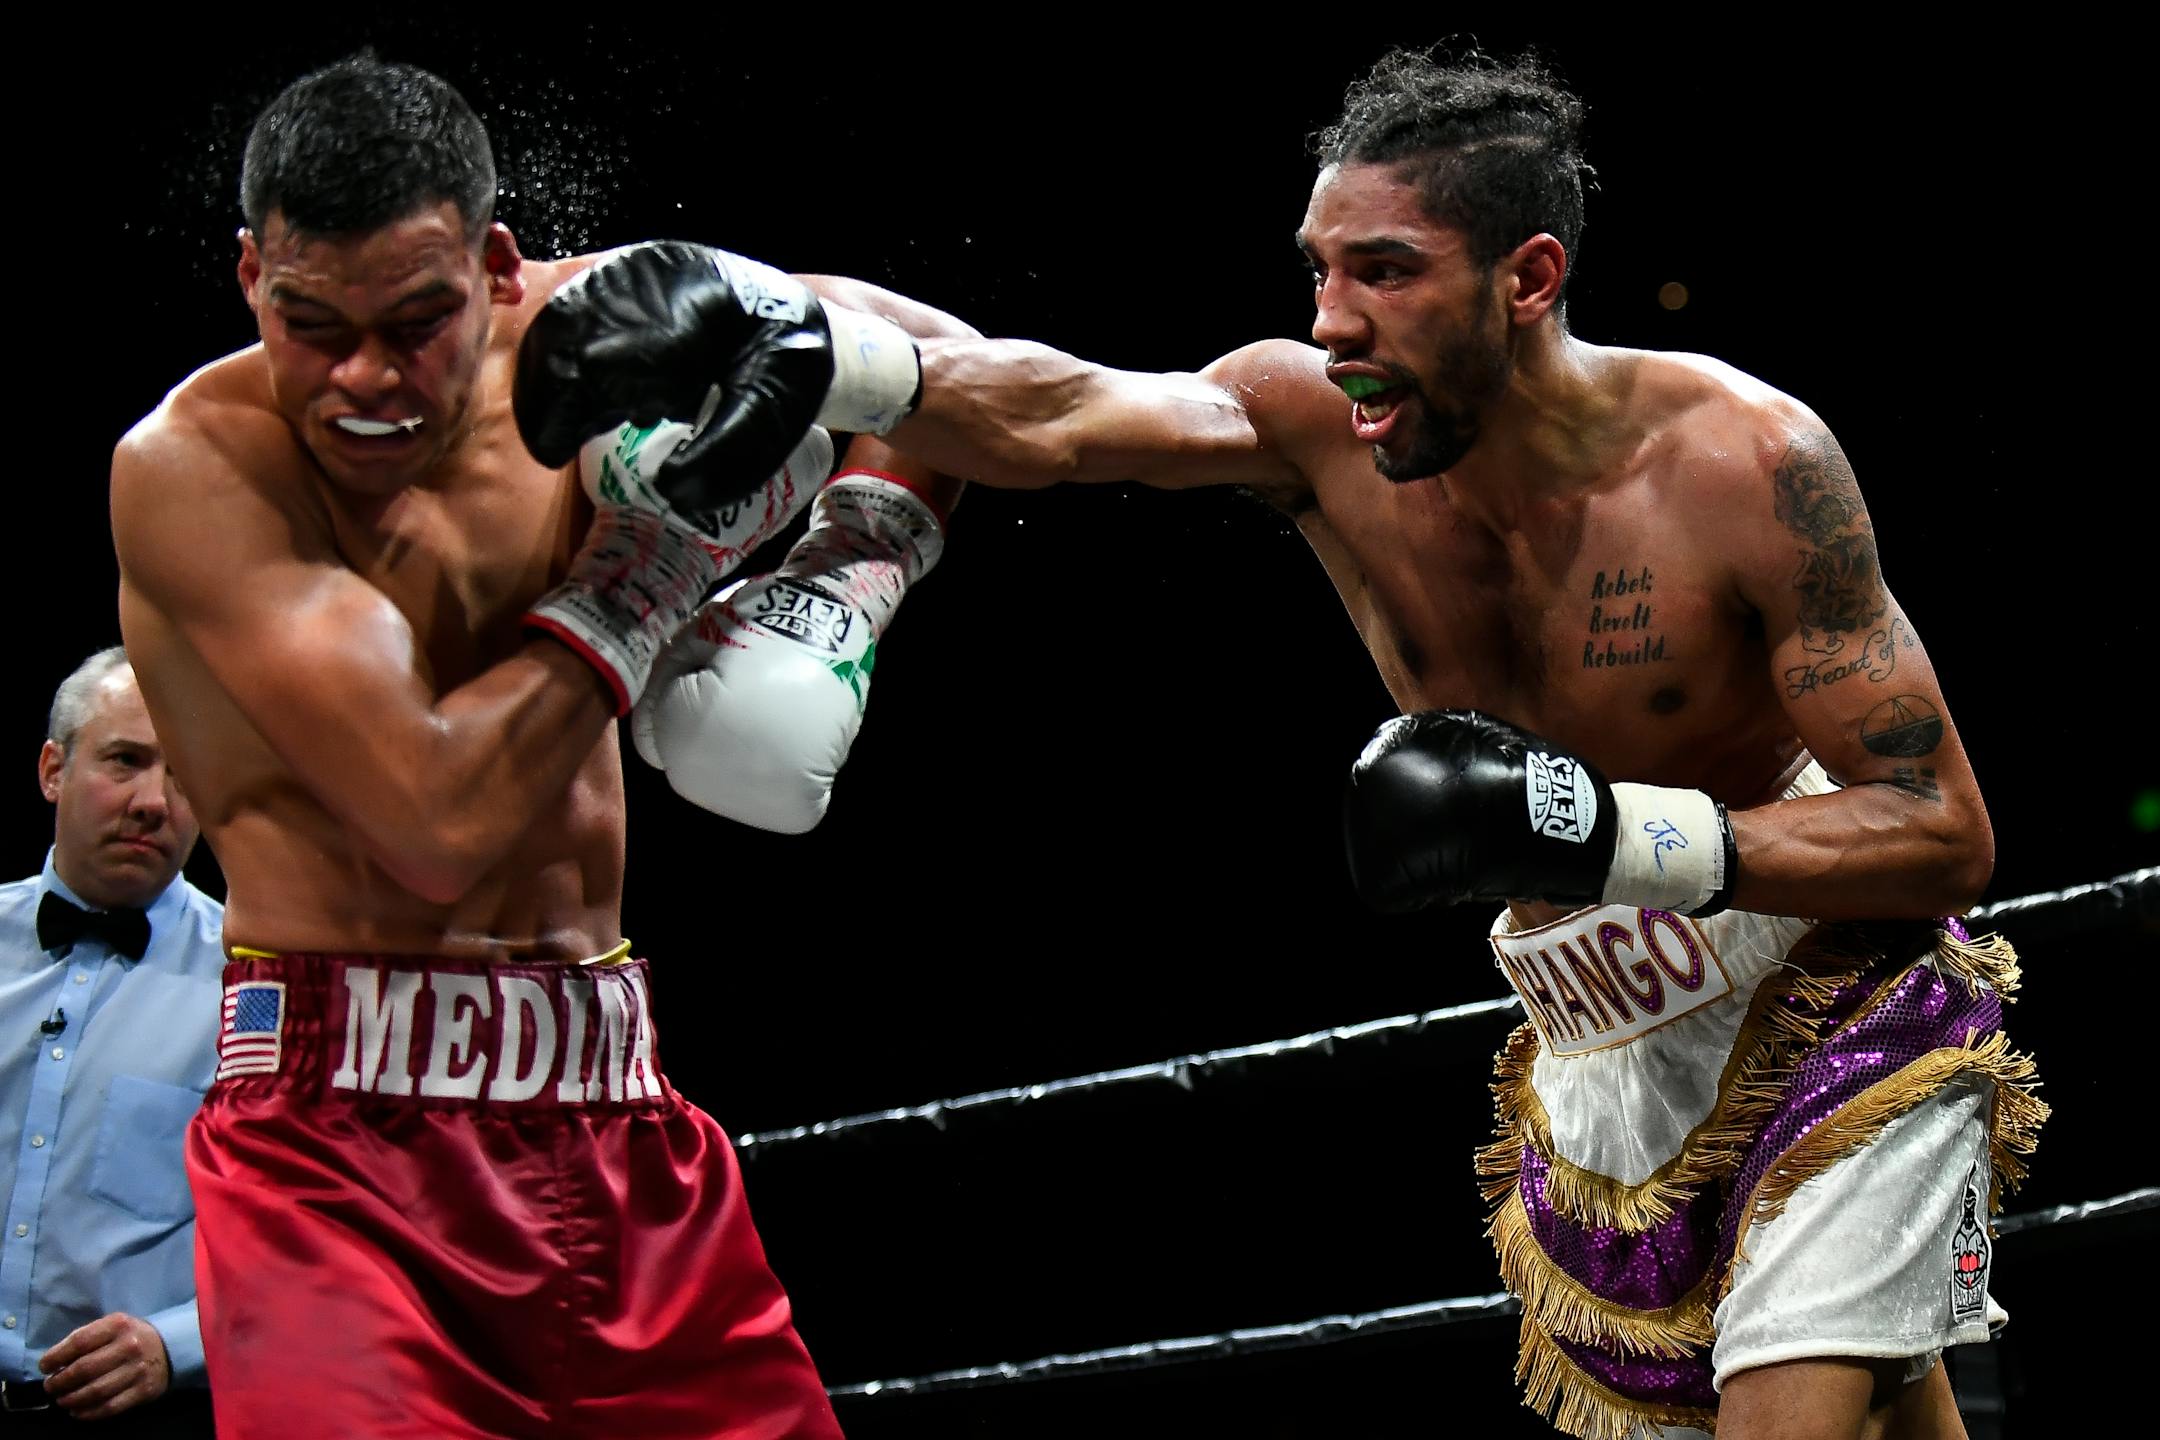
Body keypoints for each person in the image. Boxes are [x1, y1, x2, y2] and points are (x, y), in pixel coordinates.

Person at [520, 47, 2047, 1440]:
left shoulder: (1745, 464)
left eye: (1385, 273)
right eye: (1320, 272)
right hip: (1603, 1051)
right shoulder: (1315, 421)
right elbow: (1057, 412)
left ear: (1529, 278)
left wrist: (1604, 834)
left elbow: (1940, 831)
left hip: (1830, 987)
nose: (1334, 323)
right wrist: (823, 350)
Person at [110, 53, 955, 1440]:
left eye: (415, 320)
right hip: (340, 1160)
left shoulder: (591, 331)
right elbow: (435, 828)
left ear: (498, 265)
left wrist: (861, 557)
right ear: (249, 271)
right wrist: (655, 569)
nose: (365, 378)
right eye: (311, 322)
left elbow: (939, 376)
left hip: (617, 1117)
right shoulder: (198, 468)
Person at [0, 647, 221, 1434]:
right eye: (124, 761)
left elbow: (316, 1234)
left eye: (186, 774)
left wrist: (177, 1344)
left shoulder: (257, 989)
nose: (155, 802)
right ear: (53, 769)